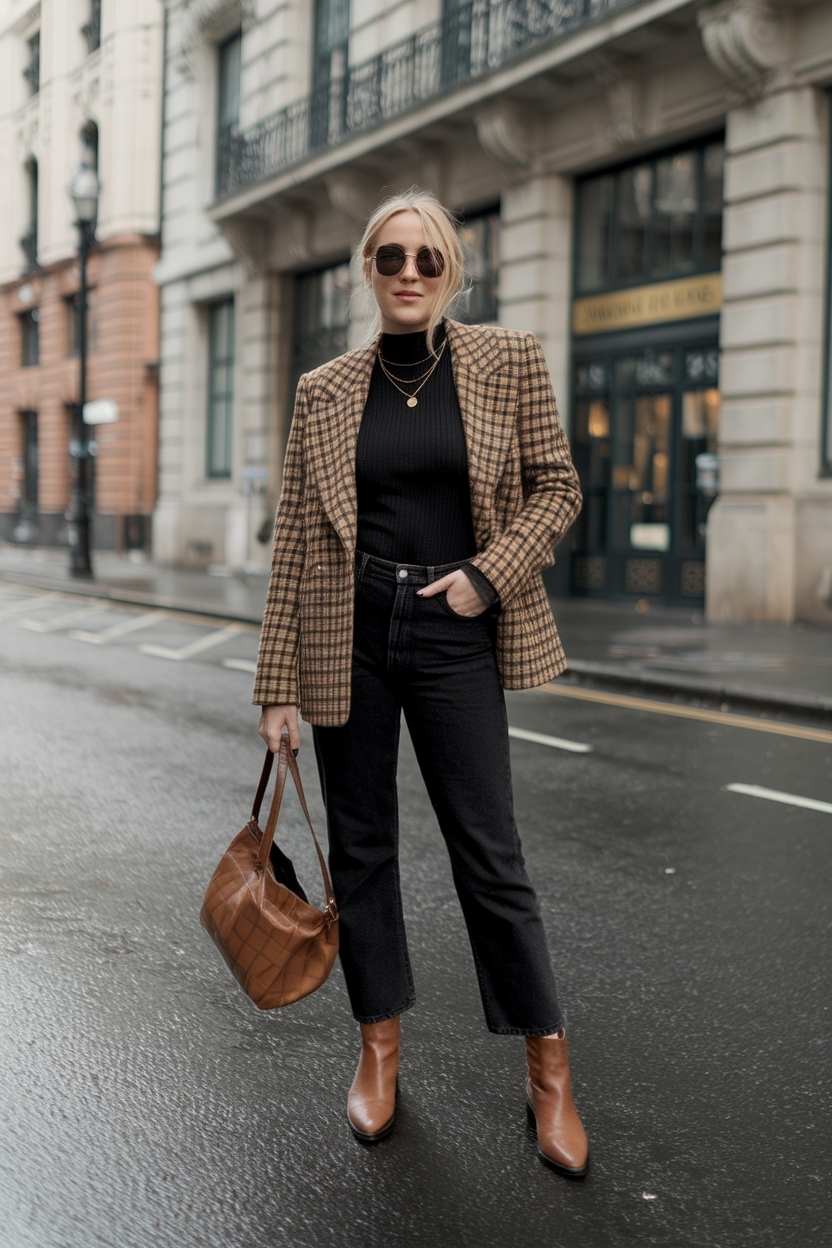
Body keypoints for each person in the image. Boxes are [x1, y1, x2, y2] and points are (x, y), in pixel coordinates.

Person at [254, 188, 588, 1178]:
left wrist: (487, 577)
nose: (408, 274)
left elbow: (556, 485)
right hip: (346, 627)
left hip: (452, 628)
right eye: (390, 258)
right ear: (367, 268)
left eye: (427, 259)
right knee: (361, 851)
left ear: (452, 272)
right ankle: (378, 1048)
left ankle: (549, 1069)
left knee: (491, 853)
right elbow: (295, 543)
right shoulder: (325, 390)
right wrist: (276, 687)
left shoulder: (505, 359)